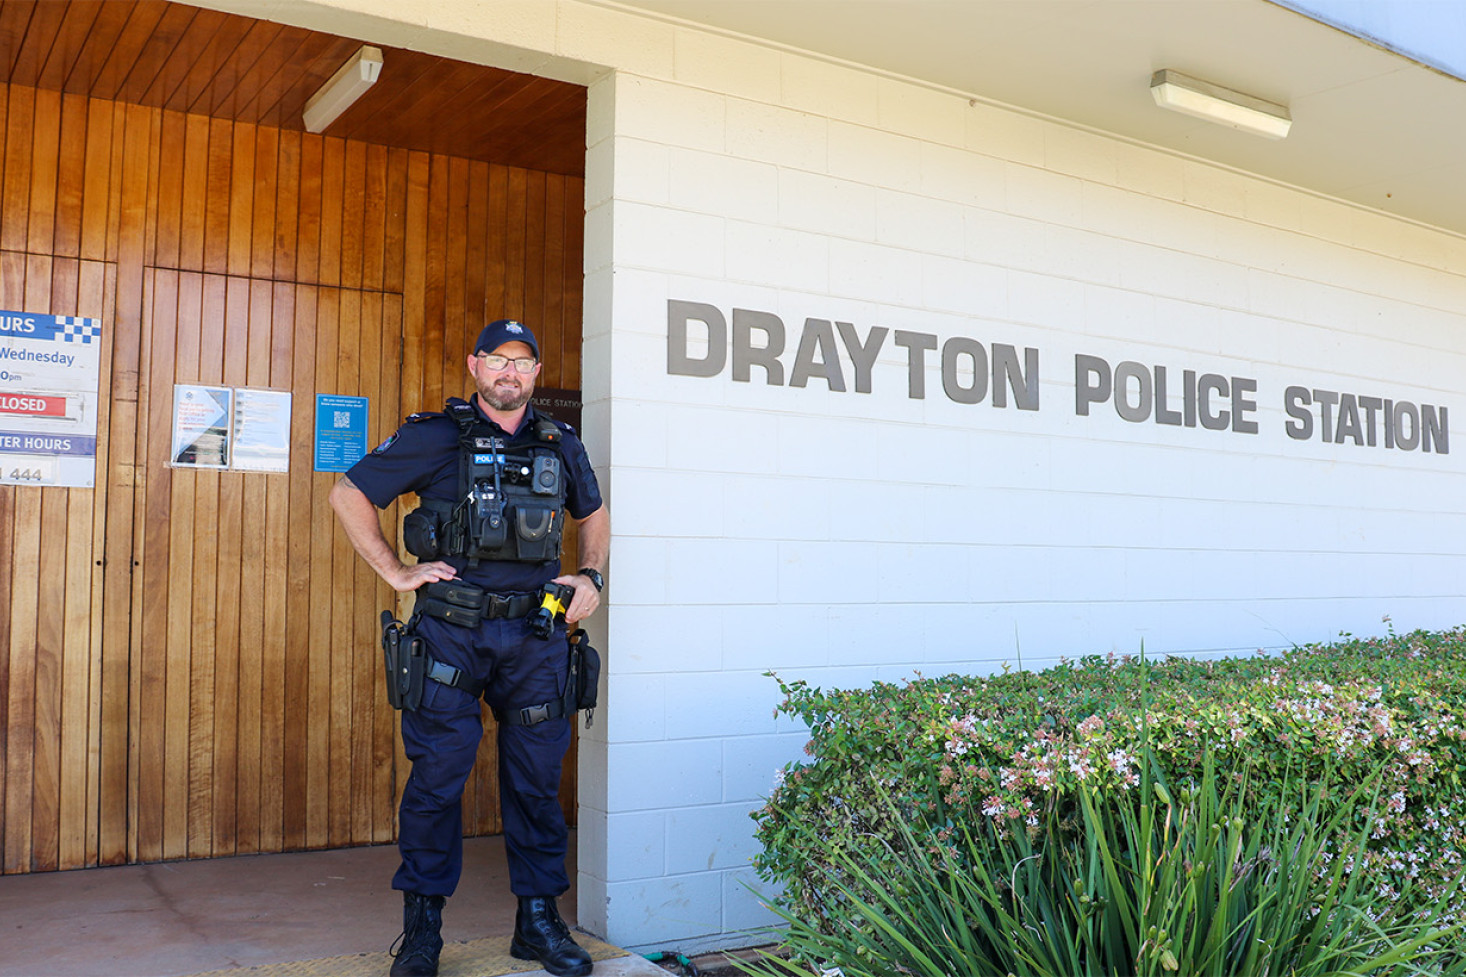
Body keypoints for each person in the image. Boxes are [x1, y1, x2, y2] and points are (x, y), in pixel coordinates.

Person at [330, 318, 608, 977]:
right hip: (451, 634)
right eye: (498, 360)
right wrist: (397, 570)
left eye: (523, 362)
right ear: (475, 365)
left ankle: (537, 924)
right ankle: (423, 932)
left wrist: (591, 576)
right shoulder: (435, 435)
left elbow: (591, 512)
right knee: (436, 781)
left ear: (536, 373)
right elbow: (348, 493)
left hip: (538, 637)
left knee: (537, 783)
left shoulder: (559, 441)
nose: (511, 372)